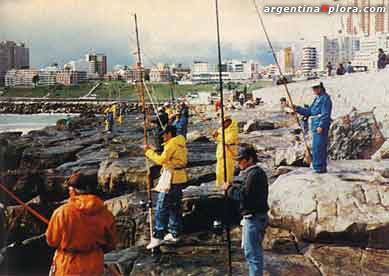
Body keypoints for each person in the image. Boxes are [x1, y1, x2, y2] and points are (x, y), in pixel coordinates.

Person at [46, 172, 117, 276]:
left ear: (72, 191)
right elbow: (111, 243)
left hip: (68, 265)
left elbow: (52, 241)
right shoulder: (104, 212)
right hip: (94, 264)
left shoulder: (61, 212)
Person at [224, 146, 269, 276]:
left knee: (253, 256)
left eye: (241, 160)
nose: (238, 163)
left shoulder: (254, 174)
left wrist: (229, 189)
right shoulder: (254, 173)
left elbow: (244, 196)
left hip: (254, 219)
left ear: (249, 159)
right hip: (257, 218)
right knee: (253, 254)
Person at [144, 125, 188, 249]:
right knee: (175, 206)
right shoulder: (181, 142)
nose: (163, 136)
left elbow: (161, 160)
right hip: (179, 178)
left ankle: (158, 236)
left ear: (169, 134)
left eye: (164, 134)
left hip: (171, 179)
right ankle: (175, 233)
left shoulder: (171, 144)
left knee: (161, 207)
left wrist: (148, 152)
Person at [288, 82, 332, 173]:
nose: (314, 90)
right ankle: (317, 167)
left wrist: (321, 125)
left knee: (319, 147)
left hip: (320, 126)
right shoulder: (317, 99)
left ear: (320, 88)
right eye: (313, 88)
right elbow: (309, 111)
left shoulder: (325, 99)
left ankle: (320, 168)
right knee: (316, 147)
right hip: (314, 126)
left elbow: (326, 114)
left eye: (316, 88)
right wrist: (297, 108)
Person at [212, 114, 239, 187]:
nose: (222, 124)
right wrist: (214, 136)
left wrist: (218, 136)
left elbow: (228, 140)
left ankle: (228, 186)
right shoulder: (221, 129)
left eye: (223, 123)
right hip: (220, 153)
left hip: (229, 154)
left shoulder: (234, 129)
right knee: (219, 171)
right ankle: (220, 186)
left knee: (228, 171)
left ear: (228, 121)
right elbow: (218, 139)